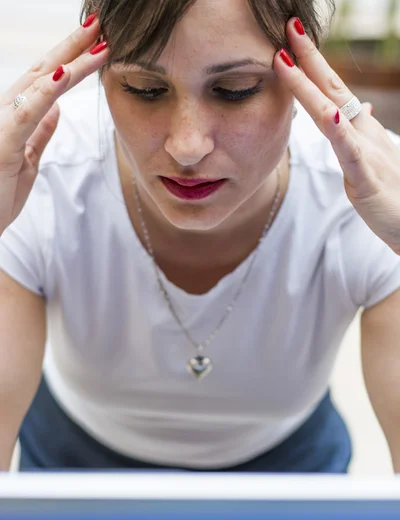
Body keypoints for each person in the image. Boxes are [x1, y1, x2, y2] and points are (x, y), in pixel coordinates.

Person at [1, 0, 400, 474]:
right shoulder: (34, 178)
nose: (187, 147)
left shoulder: (368, 194)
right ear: (102, 77)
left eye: (235, 90)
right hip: (71, 457)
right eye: (145, 90)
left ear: (306, 80)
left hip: (293, 469)